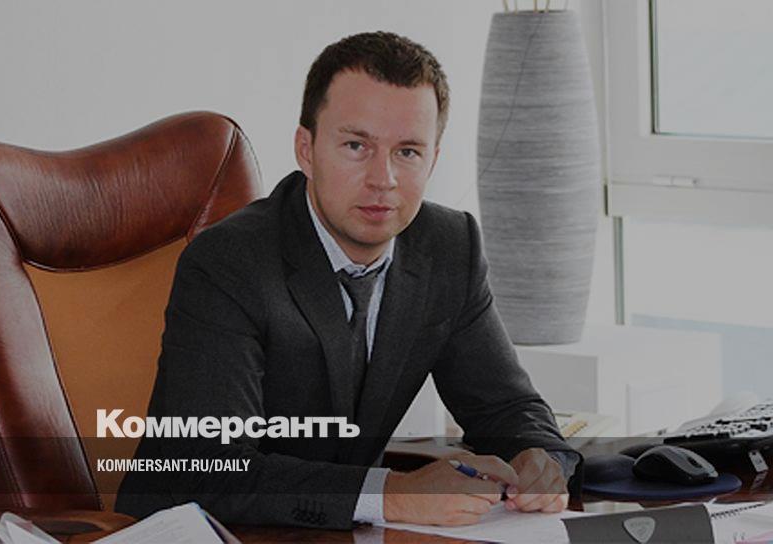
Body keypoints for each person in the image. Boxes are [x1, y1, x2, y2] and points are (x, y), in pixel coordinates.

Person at [117, 30, 580, 529]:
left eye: (408, 152)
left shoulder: (450, 247)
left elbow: (505, 406)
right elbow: (209, 469)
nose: (384, 179)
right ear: (306, 149)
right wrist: (392, 494)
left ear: (433, 159)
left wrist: (541, 459)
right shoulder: (229, 262)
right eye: (357, 145)